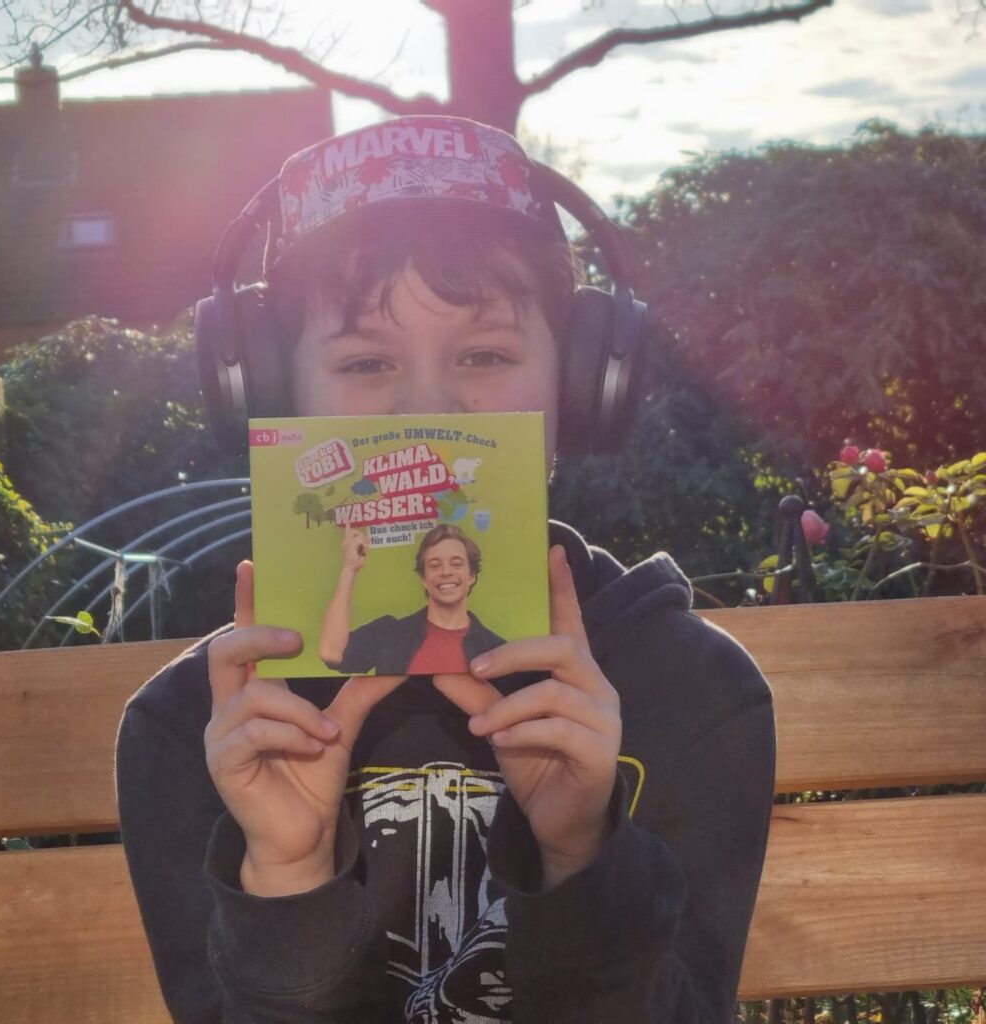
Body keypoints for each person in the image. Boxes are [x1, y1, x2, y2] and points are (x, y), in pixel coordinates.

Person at [116, 115, 775, 1024]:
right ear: (270, 391)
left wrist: (583, 857)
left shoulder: (692, 688)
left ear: (583, 383)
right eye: (365, 360)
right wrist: (287, 882)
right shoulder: (194, 729)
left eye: (485, 354)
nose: (426, 404)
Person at [319, 524, 505, 675]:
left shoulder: (495, 649)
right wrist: (350, 569)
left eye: (456, 564)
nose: (446, 572)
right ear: (424, 578)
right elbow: (331, 653)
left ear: (472, 575)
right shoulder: (390, 633)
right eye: (435, 565)